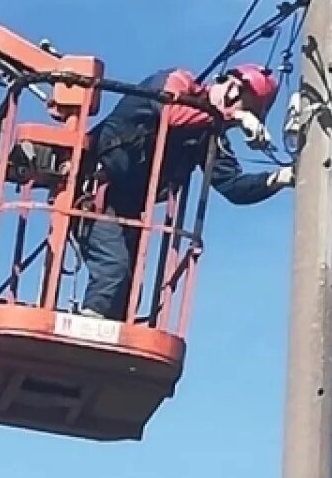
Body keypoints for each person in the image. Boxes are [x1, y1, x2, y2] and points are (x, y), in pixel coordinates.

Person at [75, 63, 295, 320]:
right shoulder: (176, 80)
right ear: (233, 91)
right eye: (245, 109)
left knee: (128, 289)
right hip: (94, 191)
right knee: (113, 270)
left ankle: (104, 335)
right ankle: (87, 325)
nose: (233, 127)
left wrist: (280, 178)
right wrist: (236, 117)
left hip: (127, 207)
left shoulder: (208, 134)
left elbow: (232, 186)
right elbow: (173, 113)